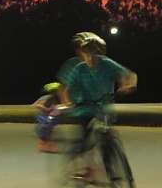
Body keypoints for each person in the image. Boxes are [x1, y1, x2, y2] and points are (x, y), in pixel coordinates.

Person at [56, 31, 137, 168]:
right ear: (83, 55)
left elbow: (128, 74)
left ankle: (110, 169)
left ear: (98, 53)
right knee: (85, 139)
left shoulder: (107, 64)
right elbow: (66, 90)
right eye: (87, 54)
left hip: (104, 107)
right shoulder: (79, 69)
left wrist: (129, 85)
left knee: (107, 139)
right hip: (85, 109)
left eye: (93, 53)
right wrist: (68, 102)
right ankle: (76, 163)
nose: (90, 57)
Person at [32, 81, 64, 152]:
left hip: (50, 116)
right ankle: (43, 144)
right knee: (47, 129)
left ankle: (48, 144)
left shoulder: (56, 98)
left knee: (50, 130)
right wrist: (44, 108)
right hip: (43, 116)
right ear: (54, 91)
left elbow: (57, 106)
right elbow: (35, 104)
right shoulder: (47, 97)